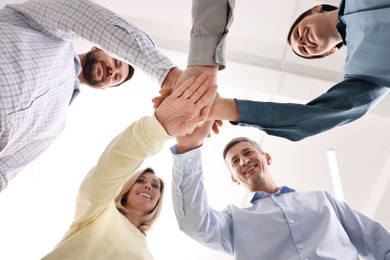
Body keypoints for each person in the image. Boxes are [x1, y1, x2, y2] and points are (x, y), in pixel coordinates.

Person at [0, 0, 181, 191]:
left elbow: (6, 170)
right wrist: (165, 73)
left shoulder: (56, 126)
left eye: (116, 78)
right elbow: (84, 15)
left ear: (104, 88)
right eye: (116, 61)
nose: (112, 72)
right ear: (99, 47)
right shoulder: (52, 31)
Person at [42, 73, 217, 259]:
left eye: (155, 185)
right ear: (126, 188)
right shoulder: (98, 210)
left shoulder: (148, 255)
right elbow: (113, 165)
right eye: (140, 181)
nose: (148, 186)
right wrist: (159, 126)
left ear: (159, 201)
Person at [166, 0, 390, 142]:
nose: (302, 42)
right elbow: (314, 117)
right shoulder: (363, 76)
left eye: (298, 34)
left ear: (315, 9)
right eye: (304, 50)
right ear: (330, 52)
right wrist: (222, 108)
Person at [171, 123, 390, 259]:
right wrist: (188, 149)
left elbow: (376, 241)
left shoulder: (321, 199)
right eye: (235, 161)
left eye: (247, 152)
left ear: (267, 157)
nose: (244, 160)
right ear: (234, 178)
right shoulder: (233, 220)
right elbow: (194, 224)